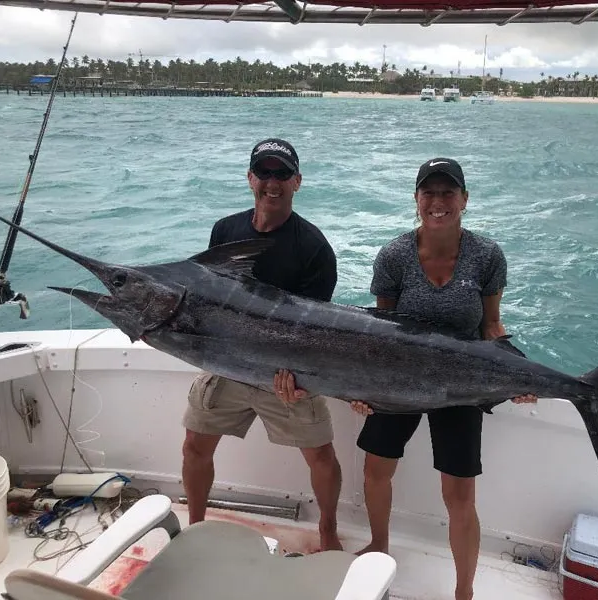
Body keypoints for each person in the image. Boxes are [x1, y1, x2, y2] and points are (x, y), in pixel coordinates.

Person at [349, 158, 537, 600]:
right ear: (416, 201)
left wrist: (519, 371)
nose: (438, 202)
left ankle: (464, 591)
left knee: (459, 494)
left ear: (464, 201)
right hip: (399, 382)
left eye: (447, 193)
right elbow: (382, 332)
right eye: (428, 193)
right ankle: (379, 546)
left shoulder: (486, 255)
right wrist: (362, 389)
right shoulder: (394, 255)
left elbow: (491, 325)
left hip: (461, 387)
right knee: (377, 469)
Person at [181, 138, 343, 551]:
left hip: (284, 375)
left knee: (320, 455)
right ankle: (195, 526)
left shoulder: (314, 248)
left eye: (282, 174)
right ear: (250, 178)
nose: (273, 182)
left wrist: (302, 378)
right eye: (264, 173)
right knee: (194, 444)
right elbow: (205, 297)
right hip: (228, 363)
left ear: (297, 182)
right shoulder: (225, 231)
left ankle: (327, 529)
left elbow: (316, 330)